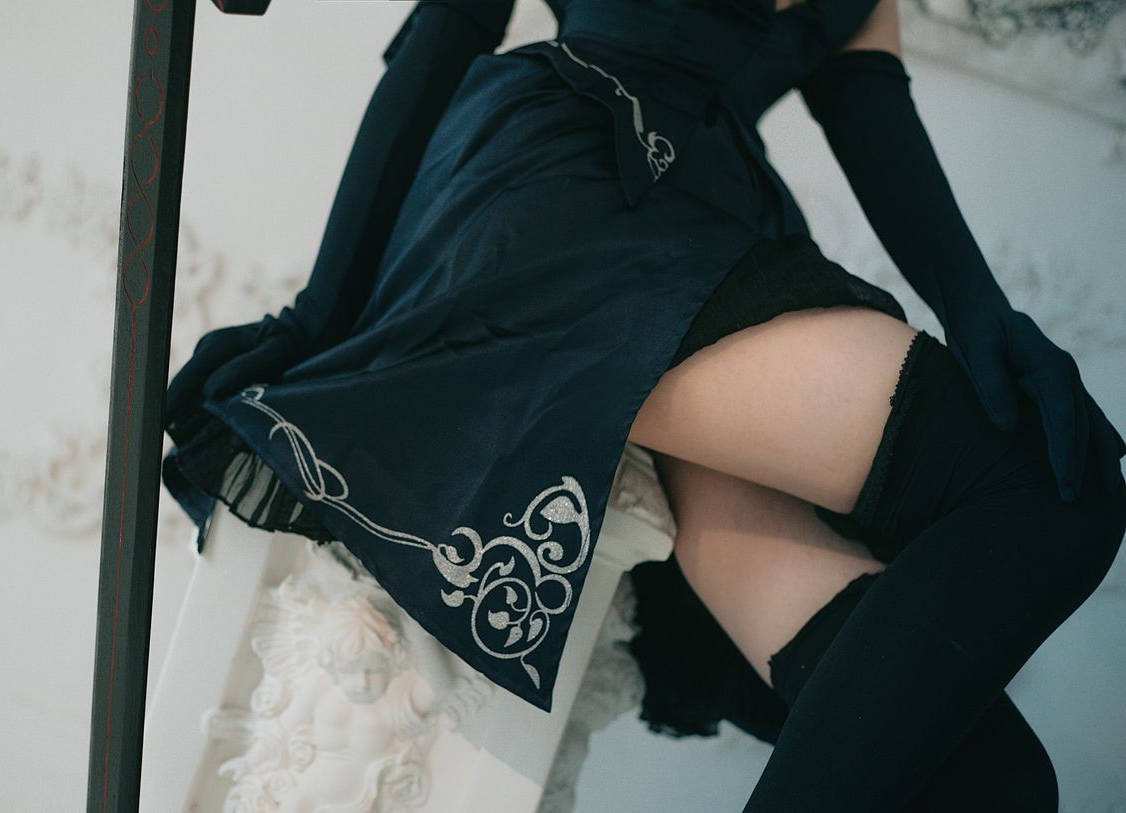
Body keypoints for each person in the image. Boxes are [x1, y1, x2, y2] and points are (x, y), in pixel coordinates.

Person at [160, 0, 1126, 808]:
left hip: (708, 236)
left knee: (994, 783)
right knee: (1052, 492)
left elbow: (867, 107)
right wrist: (319, 311)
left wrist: (980, 308)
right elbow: (451, 27)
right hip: (562, 205)